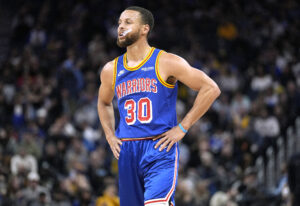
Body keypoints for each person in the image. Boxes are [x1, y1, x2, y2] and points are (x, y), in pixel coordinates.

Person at [97, 6, 220, 206]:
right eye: (119, 22)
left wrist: (183, 127)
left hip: (159, 147)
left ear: (145, 29)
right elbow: (103, 102)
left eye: (128, 22)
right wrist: (110, 135)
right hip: (127, 149)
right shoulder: (111, 69)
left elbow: (211, 88)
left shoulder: (166, 61)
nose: (120, 27)